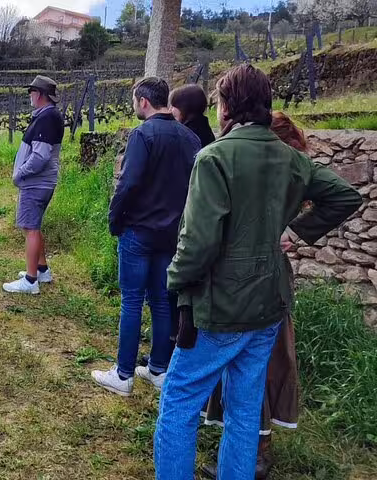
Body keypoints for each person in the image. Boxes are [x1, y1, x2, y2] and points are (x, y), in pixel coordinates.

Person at [154, 65, 362, 480]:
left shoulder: (214, 157)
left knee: (179, 402)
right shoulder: (289, 157)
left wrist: (174, 282)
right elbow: (344, 195)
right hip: (269, 305)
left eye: (218, 102)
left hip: (218, 307)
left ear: (227, 105)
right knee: (245, 410)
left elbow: (197, 243)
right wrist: (296, 231)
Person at [200, 111, 307, 480]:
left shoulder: (282, 166)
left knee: (260, 369)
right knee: (244, 369)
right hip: (245, 283)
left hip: (266, 288)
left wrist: (292, 232)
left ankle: (256, 453)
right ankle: (242, 451)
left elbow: (335, 196)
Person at [91, 77, 201, 395]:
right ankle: (157, 368)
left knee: (132, 301)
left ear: (142, 102)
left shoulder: (143, 134)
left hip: (139, 231)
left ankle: (123, 374)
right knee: (162, 303)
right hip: (171, 233)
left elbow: (128, 183)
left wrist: (115, 221)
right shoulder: (189, 137)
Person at [3, 75, 64, 294]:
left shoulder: (47, 118)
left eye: (31, 92)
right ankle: (41, 269)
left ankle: (30, 281)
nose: (30, 96)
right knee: (34, 226)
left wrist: (20, 174)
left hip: (36, 183)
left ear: (38, 94)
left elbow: (40, 156)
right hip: (42, 182)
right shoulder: (49, 116)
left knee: (30, 228)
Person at [169, 83, 215, 148]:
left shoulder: (185, 136)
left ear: (185, 107)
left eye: (173, 106)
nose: (170, 110)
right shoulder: (206, 130)